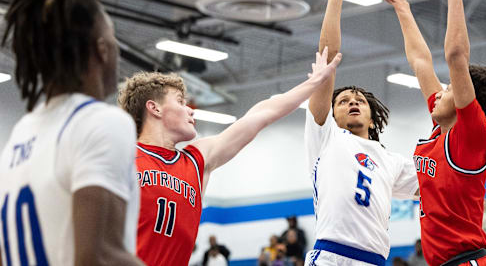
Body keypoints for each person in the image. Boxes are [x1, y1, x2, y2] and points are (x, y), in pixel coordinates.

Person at [119, 47, 342, 266]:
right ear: (154, 108)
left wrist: (313, 83)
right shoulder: (124, 158)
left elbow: (260, 115)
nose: (191, 110)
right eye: (180, 101)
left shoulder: (197, 160)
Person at [375, 0, 486, 266]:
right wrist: (402, 6)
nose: (439, 91)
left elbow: (456, 56)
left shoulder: (467, 137)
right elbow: (420, 61)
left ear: (461, 102)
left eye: (448, 89)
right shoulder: (440, 127)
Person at [0, 0, 142, 265]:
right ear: (102, 50)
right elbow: (100, 256)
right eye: (114, 42)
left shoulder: (20, 134)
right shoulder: (101, 121)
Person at [303, 0, 420, 266]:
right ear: (333, 112)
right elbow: (326, 61)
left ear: (372, 114)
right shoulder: (325, 135)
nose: (352, 101)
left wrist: (485, 129)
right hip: (331, 255)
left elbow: (440, 180)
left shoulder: (391, 161)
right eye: (342, 100)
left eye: (358, 99)